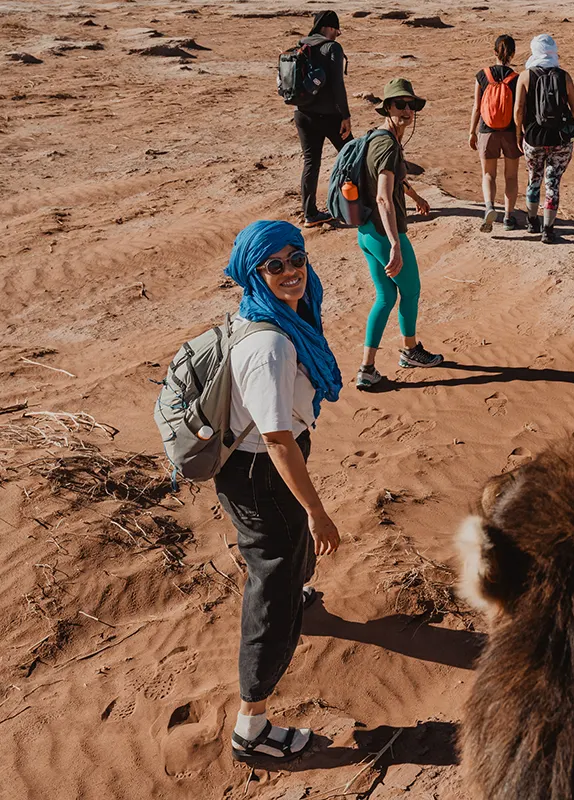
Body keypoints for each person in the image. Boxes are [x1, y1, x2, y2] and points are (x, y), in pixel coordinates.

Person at [217, 220, 343, 761]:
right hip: (260, 474)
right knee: (272, 584)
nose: (292, 271)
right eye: (275, 265)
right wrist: (316, 511)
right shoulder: (270, 344)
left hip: (268, 467)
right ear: (254, 272)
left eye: (297, 258)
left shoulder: (275, 316)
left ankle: (298, 593)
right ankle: (252, 725)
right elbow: (275, 439)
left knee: (288, 564)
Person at [354, 78, 444, 390]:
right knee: (411, 290)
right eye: (399, 105)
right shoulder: (387, 144)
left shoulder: (380, 139)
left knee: (386, 295)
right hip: (382, 234)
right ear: (387, 107)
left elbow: (394, 181)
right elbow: (382, 196)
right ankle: (410, 351)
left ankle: (367, 368)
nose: (406, 110)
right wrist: (394, 243)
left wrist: (415, 197)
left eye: (411, 105)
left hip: (366, 233)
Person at [514, 33, 574, 244]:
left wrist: (519, 133)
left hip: (533, 137)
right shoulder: (564, 76)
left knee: (534, 179)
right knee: (553, 183)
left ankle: (532, 221)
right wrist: (561, 124)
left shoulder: (525, 76)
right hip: (560, 139)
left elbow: (518, 109)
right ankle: (548, 230)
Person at [293, 10, 352, 228]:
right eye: (337, 30)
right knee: (353, 156)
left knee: (311, 163)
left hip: (302, 114)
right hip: (329, 116)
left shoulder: (301, 45)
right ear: (329, 27)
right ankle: (360, 203)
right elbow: (337, 84)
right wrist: (345, 116)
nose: (337, 34)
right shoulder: (332, 47)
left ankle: (310, 214)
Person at [469, 34, 522, 233]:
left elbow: (476, 107)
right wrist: (519, 134)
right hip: (509, 131)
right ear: (513, 53)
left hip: (486, 130)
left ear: (494, 52)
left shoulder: (482, 75)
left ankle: (490, 207)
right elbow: (519, 109)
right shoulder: (516, 78)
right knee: (511, 176)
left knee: (488, 174)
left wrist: (471, 132)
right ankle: (509, 217)